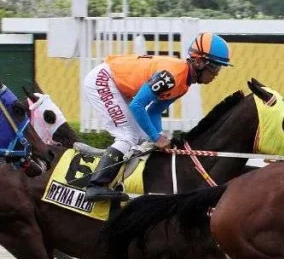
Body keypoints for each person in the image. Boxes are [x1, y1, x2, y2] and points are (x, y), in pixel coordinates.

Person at [82, 33, 232, 201]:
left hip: (118, 85)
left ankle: (116, 180)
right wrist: (157, 138)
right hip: (103, 80)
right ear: (199, 62)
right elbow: (137, 106)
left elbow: (153, 111)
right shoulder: (172, 76)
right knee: (127, 135)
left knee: (142, 136)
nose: (217, 74)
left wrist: (158, 138)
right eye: (215, 67)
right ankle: (95, 186)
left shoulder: (184, 84)